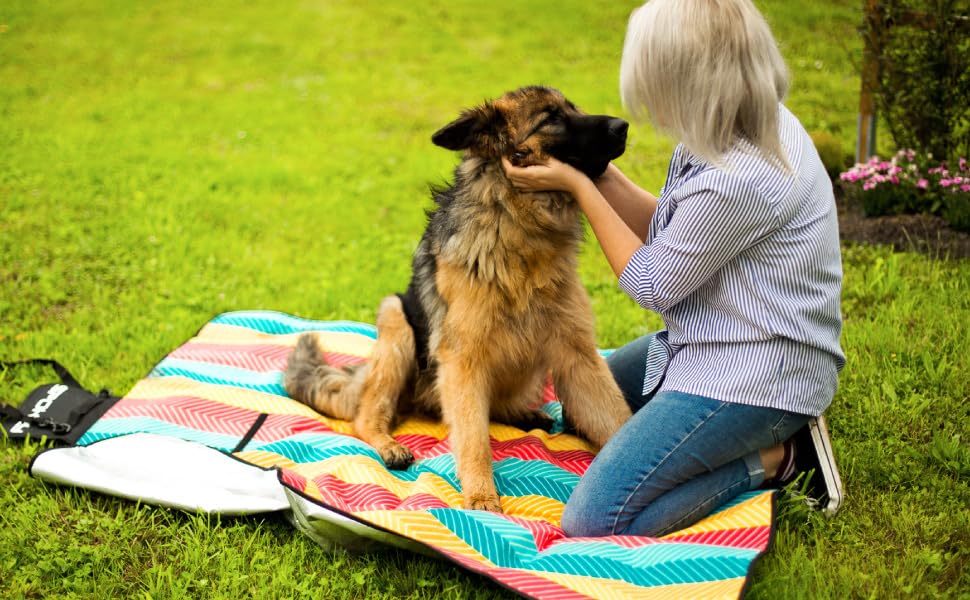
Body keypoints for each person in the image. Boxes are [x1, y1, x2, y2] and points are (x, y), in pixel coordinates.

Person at [503, 0, 845, 537]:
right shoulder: (748, 122)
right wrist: (594, 168)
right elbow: (671, 226)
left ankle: (783, 454)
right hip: (712, 343)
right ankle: (706, 439)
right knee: (582, 402)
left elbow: (650, 281)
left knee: (595, 519)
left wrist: (579, 187)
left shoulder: (742, 179)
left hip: (753, 378)